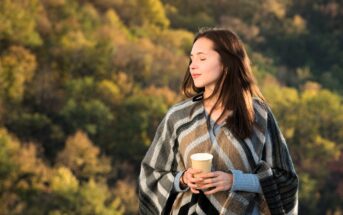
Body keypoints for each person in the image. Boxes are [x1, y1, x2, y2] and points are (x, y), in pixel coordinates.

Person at [138, 27, 298, 215]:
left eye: (202, 58)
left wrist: (235, 181)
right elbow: (151, 176)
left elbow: (285, 180)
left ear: (227, 63)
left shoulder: (258, 114)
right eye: (192, 58)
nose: (192, 65)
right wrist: (182, 179)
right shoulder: (178, 116)